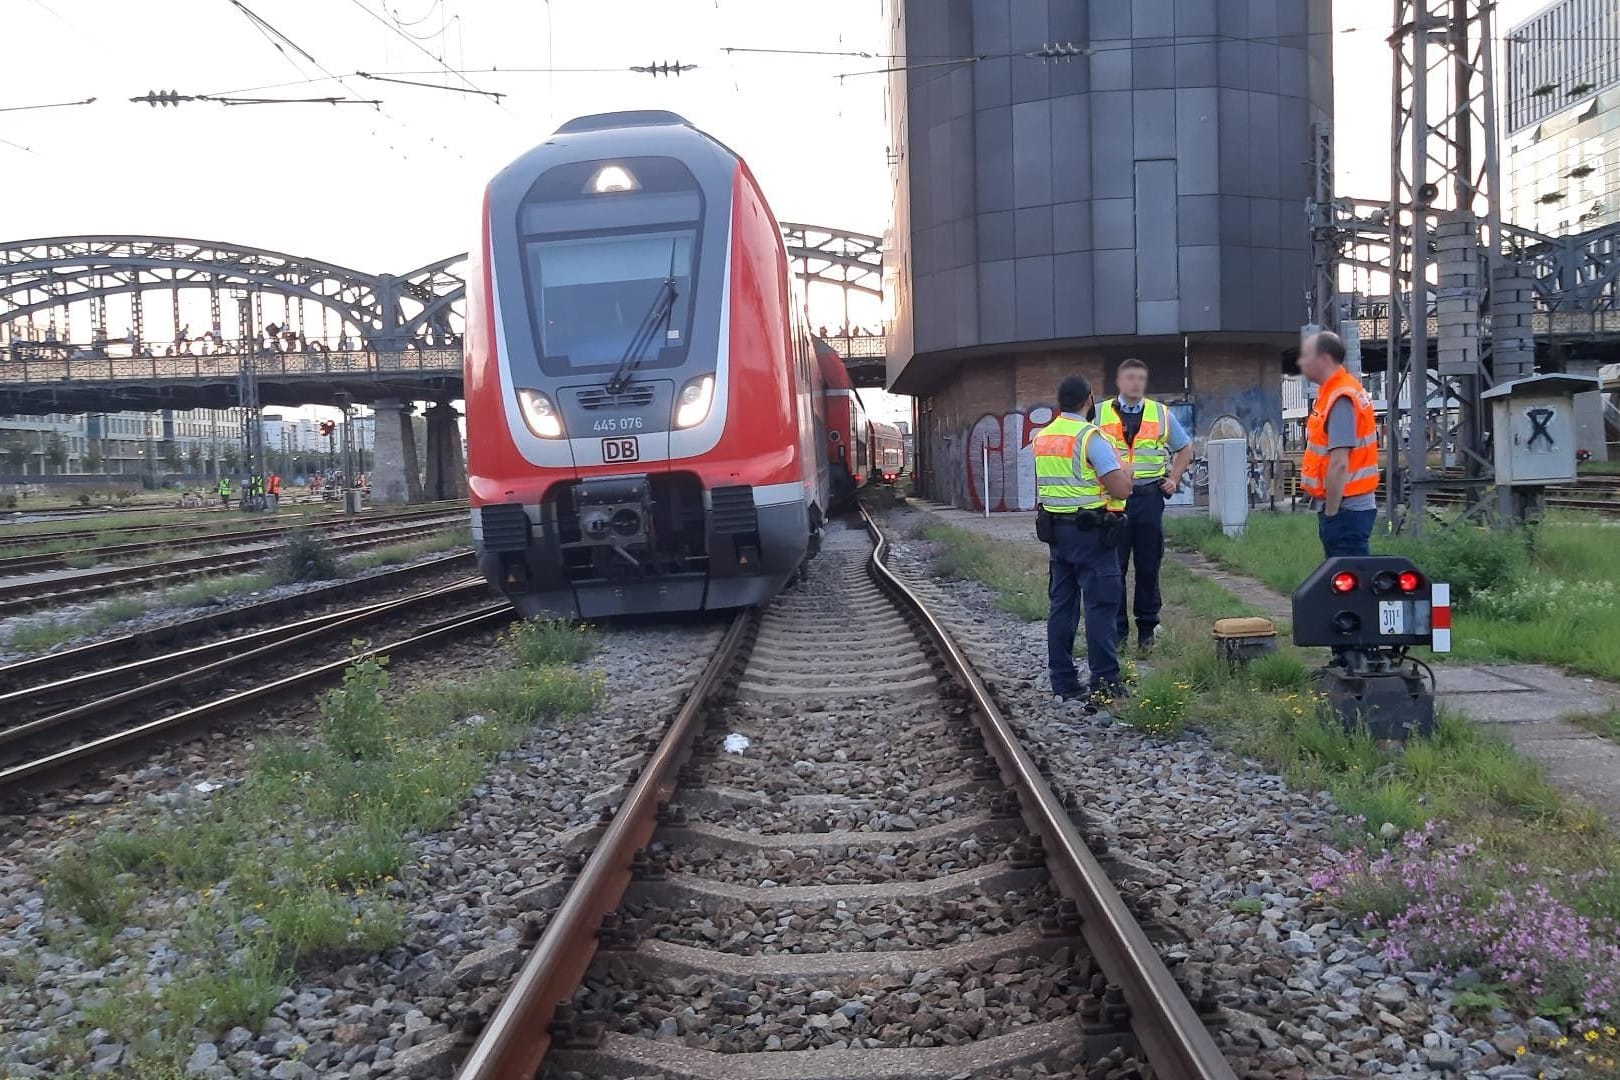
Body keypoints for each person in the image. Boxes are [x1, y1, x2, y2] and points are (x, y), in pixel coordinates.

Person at [1034, 374, 1136, 710]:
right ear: (1089, 400)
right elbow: (1120, 488)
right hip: (1090, 533)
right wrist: (1127, 473)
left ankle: (1062, 681)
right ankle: (1105, 682)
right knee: (1101, 606)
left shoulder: (1044, 437)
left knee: (1061, 607)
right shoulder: (1089, 437)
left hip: (1056, 534)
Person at [1096, 359, 1194, 653]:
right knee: (1114, 568)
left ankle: (1147, 629)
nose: (1135, 383)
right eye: (1130, 377)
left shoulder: (1160, 414)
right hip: (1112, 501)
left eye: (1140, 377)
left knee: (1149, 565)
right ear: (1119, 381)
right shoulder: (1098, 413)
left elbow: (1185, 448)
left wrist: (1174, 478)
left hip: (1149, 498)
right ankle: (1118, 632)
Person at [1299, 330, 1380, 557]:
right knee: (1344, 583)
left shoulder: (1341, 397)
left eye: (1306, 356)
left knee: (1348, 583)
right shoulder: (1336, 391)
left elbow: (1339, 463)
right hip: (1349, 506)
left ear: (1324, 359)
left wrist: (1332, 513)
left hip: (1346, 510)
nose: (1301, 362)